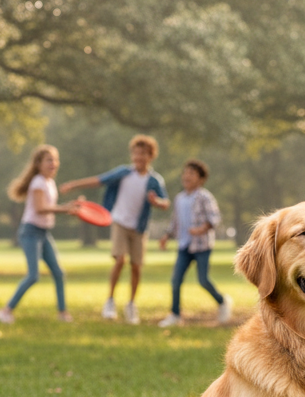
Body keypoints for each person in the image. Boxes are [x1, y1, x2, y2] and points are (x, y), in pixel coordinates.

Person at [61, 134, 170, 324]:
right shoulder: (123, 173)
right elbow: (99, 180)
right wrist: (74, 185)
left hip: (139, 227)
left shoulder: (154, 180)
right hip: (119, 221)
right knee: (120, 260)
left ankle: (131, 305)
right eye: (135, 154)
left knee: (136, 266)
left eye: (142, 154)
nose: (138, 158)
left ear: (150, 156)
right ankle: (110, 301)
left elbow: (165, 203)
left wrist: (156, 202)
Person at [0, 145, 81, 324]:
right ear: (38, 164)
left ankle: (62, 313)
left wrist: (70, 205)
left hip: (43, 233)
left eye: (55, 159)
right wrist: (65, 209)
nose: (54, 163)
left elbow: (49, 206)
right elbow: (40, 208)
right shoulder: (38, 182)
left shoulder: (50, 183)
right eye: (49, 160)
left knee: (58, 272)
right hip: (30, 232)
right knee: (33, 275)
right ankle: (5, 311)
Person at [157, 160, 233, 328]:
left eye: (192, 173)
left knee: (203, 279)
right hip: (184, 246)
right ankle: (175, 315)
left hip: (201, 246)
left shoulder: (204, 196)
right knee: (176, 281)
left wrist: (201, 229)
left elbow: (214, 218)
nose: (187, 176)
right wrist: (166, 236)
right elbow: (175, 222)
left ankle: (222, 302)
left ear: (201, 179)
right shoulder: (179, 198)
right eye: (185, 173)